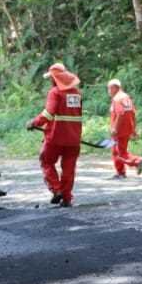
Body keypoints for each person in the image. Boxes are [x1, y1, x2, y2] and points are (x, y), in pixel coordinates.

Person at [28, 63, 83, 206]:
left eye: (51, 78)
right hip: (73, 139)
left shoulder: (55, 92)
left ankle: (56, 190)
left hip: (55, 137)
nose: (50, 81)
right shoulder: (77, 93)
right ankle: (66, 198)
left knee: (46, 161)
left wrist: (34, 122)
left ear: (55, 78)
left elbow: (48, 113)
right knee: (69, 169)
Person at [107, 79, 142, 178]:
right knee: (116, 151)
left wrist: (115, 128)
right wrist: (133, 129)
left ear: (115, 88)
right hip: (126, 129)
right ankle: (120, 172)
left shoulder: (117, 99)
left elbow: (121, 113)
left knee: (119, 152)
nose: (108, 91)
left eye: (109, 88)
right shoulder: (126, 97)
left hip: (119, 131)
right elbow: (132, 113)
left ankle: (137, 161)